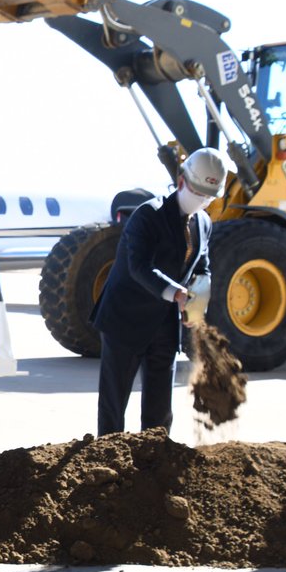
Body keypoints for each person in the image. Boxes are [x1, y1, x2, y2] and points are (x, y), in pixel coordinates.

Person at [92, 147, 227, 436]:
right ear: (181, 182)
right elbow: (138, 266)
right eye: (198, 192)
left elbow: (202, 265)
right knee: (114, 404)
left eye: (208, 197)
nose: (202, 200)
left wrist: (198, 299)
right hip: (124, 318)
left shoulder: (203, 223)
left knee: (159, 406)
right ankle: (107, 459)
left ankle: (155, 458)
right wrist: (177, 293)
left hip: (163, 323)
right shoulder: (148, 215)